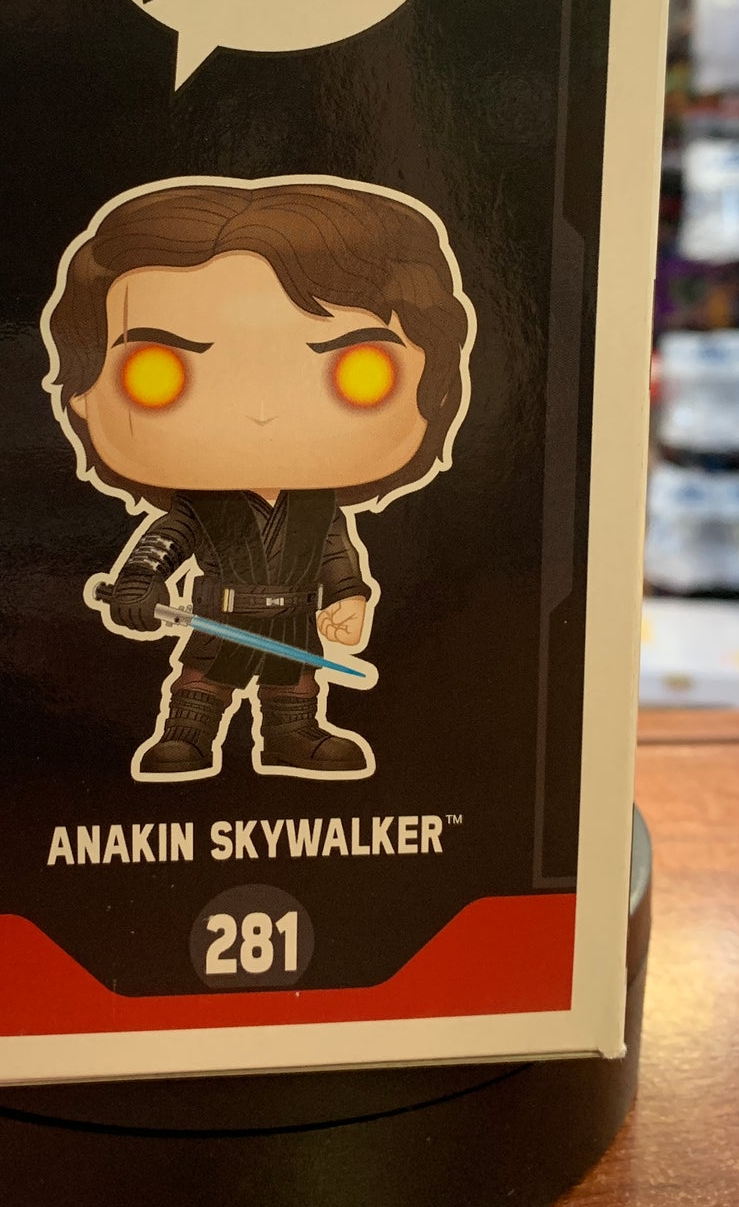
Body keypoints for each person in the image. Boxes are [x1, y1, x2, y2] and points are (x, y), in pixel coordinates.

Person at [43, 177, 474, 781]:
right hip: (219, 615)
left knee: (293, 688)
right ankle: (187, 735)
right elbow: (165, 542)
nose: (262, 412)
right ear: (85, 394)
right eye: (159, 372)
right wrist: (139, 584)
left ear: (438, 388)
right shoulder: (200, 505)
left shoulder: (318, 508)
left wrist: (349, 597)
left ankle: (291, 736)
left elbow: (336, 555)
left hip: (294, 616)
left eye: (357, 371)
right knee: (201, 686)